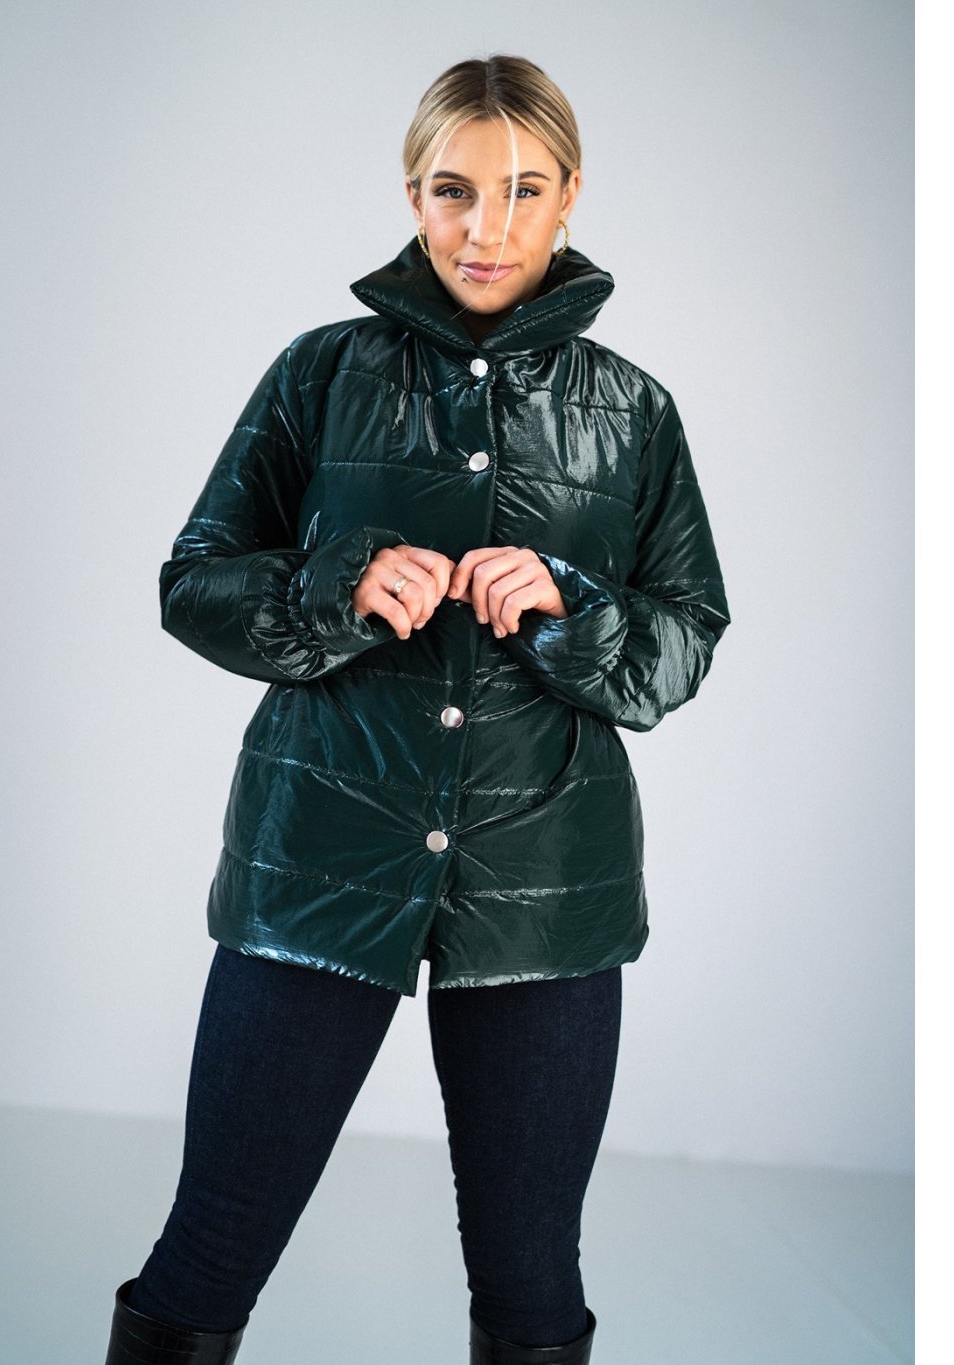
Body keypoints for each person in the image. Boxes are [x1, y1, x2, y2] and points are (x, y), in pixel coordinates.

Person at [102, 54, 730, 1365]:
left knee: (532, 1281)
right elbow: (193, 582)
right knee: (209, 1250)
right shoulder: (318, 373)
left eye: (523, 190)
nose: (486, 227)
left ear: (570, 196)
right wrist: (332, 586)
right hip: (318, 857)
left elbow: (681, 645)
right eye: (455, 189)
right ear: (412, 193)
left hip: (545, 884)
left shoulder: (634, 412)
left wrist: (570, 607)